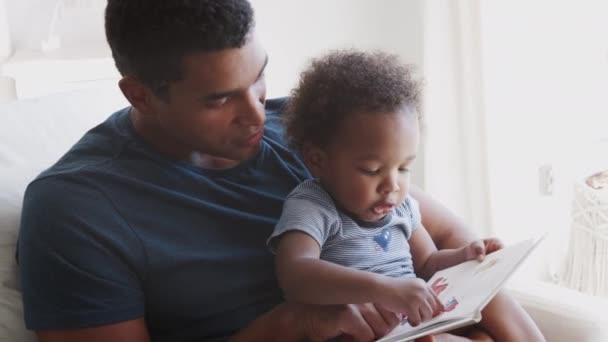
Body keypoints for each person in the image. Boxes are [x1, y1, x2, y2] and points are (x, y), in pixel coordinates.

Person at [16, 1, 545, 341]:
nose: (256, 115)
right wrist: (291, 324)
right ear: (141, 94)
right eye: (220, 99)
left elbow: (440, 233)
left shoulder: (307, 129)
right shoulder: (77, 210)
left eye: (259, 76)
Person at [268, 50, 504, 339]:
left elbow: (428, 262)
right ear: (318, 160)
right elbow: (296, 274)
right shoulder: (313, 206)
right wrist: (383, 288)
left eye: (404, 168)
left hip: (410, 327)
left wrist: (463, 256)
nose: (392, 185)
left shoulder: (401, 208)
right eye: (371, 170)